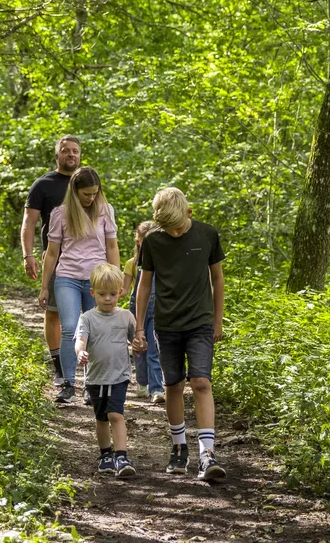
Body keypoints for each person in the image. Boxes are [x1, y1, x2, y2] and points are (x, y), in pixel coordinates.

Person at [133, 187, 227, 482]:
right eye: (168, 229)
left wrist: (218, 320)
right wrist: (138, 327)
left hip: (200, 321)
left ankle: (207, 454)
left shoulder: (207, 234)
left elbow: (217, 278)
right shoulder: (153, 241)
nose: (173, 234)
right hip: (167, 324)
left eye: (177, 227)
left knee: (200, 382)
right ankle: (178, 446)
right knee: (172, 386)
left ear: (189, 212)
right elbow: (144, 285)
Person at [41, 166, 120, 404]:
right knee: (69, 328)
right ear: (75, 191)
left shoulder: (106, 211)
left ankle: (90, 385)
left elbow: (112, 247)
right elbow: (52, 252)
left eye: (95, 193)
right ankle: (67, 384)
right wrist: (45, 286)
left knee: (92, 331)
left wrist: (115, 278)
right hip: (67, 277)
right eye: (86, 194)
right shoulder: (60, 214)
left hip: (96, 279)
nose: (91, 197)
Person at [21, 135, 81, 387]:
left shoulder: (86, 182)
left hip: (87, 260)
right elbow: (29, 223)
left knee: (86, 317)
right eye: (65, 151)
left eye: (75, 151)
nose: (70, 155)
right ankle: (59, 367)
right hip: (55, 259)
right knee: (55, 314)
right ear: (57, 156)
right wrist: (28, 254)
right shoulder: (43, 185)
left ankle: (89, 372)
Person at [75, 263, 138, 478]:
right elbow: (80, 339)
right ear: (93, 293)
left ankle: (121, 455)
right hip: (95, 377)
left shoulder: (126, 316)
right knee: (101, 417)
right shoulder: (87, 318)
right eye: (102, 294)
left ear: (120, 292)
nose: (108, 299)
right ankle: (105, 455)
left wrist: (140, 344)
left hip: (119, 375)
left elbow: (135, 339)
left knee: (116, 414)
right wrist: (80, 352)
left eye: (112, 294)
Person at [123, 221, 163, 403]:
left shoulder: (162, 262)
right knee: (139, 348)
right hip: (136, 311)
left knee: (154, 350)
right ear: (138, 241)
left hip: (157, 310)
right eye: (143, 240)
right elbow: (124, 290)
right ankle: (142, 383)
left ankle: (157, 389)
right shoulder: (132, 264)